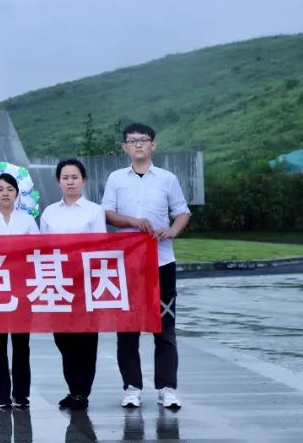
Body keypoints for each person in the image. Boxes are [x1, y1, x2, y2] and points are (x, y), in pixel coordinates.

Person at [102, 123, 191, 411]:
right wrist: (131, 221)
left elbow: (182, 212)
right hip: (127, 263)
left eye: (143, 140)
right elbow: (108, 214)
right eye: (132, 140)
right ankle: (132, 387)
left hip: (161, 261)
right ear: (124, 147)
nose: (138, 144)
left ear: (153, 145)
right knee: (127, 328)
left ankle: (167, 388)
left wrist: (172, 231)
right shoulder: (116, 178)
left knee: (165, 327)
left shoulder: (167, 178)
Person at [39, 158, 107, 411]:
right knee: (63, 338)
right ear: (58, 182)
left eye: (75, 177)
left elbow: (100, 247)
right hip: (58, 283)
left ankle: (81, 393)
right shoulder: (49, 212)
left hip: (86, 284)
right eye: (65, 178)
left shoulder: (94, 211)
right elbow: (42, 249)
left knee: (86, 340)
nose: (70, 182)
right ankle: (73, 388)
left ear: (83, 181)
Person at [0, 172, 39, 410]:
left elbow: (37, 252)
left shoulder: (28, 221)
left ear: (17, 194)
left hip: (22, 288)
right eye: (0, 189)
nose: (5, 193)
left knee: (22, 343)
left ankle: (21, 393)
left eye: (10, 189)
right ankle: (2, 394)